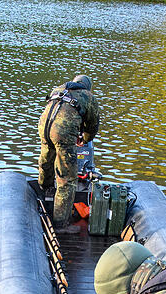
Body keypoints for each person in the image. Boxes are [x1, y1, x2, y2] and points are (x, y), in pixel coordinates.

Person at [37, 74, 100, 230]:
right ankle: (61, 223)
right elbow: (92, 126)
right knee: (67, 178)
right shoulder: (88, 96)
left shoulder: (60, 89)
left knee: (47, 159)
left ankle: (44, 188)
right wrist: (84, 139)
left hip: (44, 126)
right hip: (63, 132)